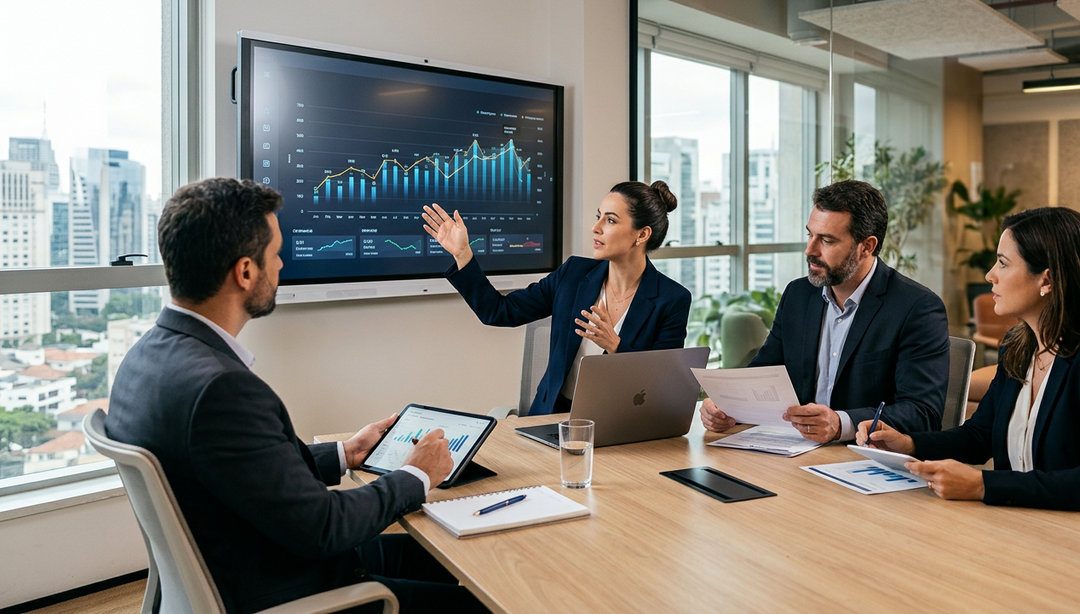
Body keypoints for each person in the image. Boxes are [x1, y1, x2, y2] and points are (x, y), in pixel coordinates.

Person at [106, 178, 487, 613]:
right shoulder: (221, 389)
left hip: (242, 562)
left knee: (444, 556)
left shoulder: (145, 358)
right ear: (246, 272)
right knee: (482, 599)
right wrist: (416, 475)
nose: (282, 265)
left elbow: (246, 471)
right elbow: (324, 527)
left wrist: (345, 452)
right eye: (276, 255)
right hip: (285, 590)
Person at [858, 207, 1080, 515]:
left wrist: (982, 485)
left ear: (1046, 279)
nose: (990, 274)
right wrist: (909, 445)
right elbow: (980, 436)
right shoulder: (1017, 347)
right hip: (1029, 525)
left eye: (1003, 263)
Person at [701, 179, 949, 443]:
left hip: (863, 460)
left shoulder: (917, 308)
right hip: (793, 452)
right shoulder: (798, 295)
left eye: (827, 240)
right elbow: (762, 374)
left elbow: (923, 413)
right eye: (810, 235)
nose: (810, 250)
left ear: (867, 246)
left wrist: (841, 423)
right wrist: (724, 407)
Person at [422, 180, 691, 415]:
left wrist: (616, 346)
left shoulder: (672, 299)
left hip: (622, 423)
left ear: (642, 234)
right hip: (554, 417)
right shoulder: (572, 275)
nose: (596, 228)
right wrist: (462, 254)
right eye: (598, 217)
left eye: (610, 220)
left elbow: (662, 386)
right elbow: (498, 311)